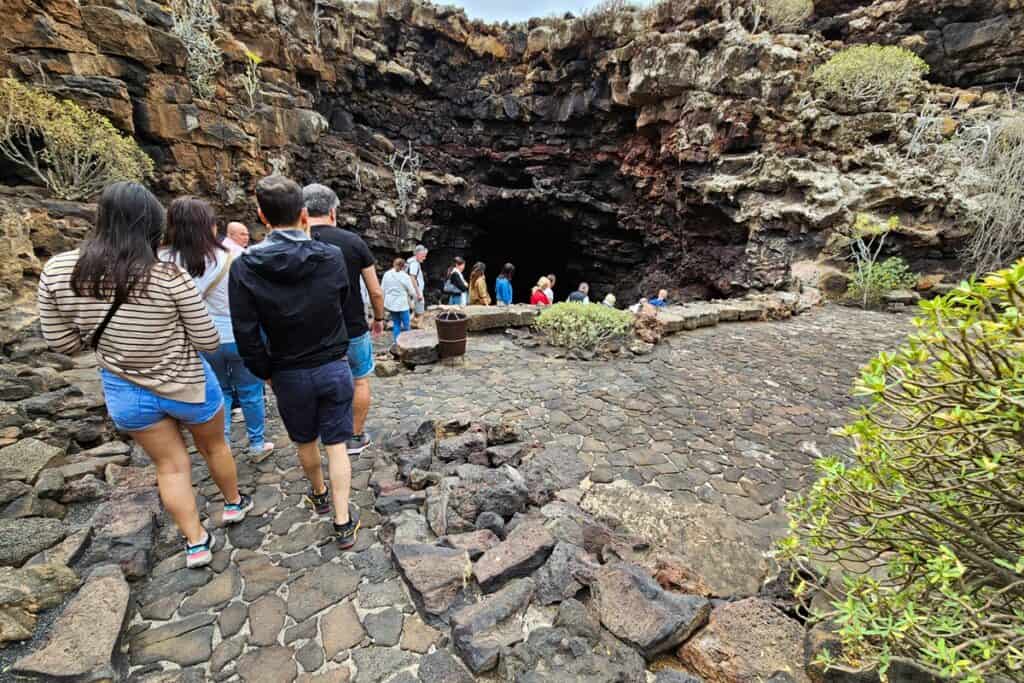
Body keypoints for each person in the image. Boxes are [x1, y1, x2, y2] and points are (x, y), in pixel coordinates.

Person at [37, 182, 252, 569]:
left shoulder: (57, 270)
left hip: (126, 390)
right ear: (153, 225)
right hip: (187, 382)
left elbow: (62, 342)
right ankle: (234, 504)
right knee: (215, 447)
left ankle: (196, 542)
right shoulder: (167, 276)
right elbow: (206, 339)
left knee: (169, 466)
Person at [229, 175, 360, 549]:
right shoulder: (330, 257)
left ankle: (318, 493)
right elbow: (341, 301)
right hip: (333, 364)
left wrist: (265, 370)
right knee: (337, 443)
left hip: (287, 370)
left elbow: (246, 332)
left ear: (261, 216)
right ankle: (343, 520)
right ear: (304, 214)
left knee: (305, 439)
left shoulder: (245, 267)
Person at [161, 197, 273, 459]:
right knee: (250, 391)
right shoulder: (232, 256)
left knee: (218, 391)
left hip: (196, 338)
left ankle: (221, 447)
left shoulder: (162, 259)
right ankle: (256, 444)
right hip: (237, 336)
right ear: (209, 226)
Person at [304, 183, 385, 456]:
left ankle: (318, 437)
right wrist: (379, 318)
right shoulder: (352, 242)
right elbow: (374, 289)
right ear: (333, 212)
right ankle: (354, 436)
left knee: (316, 381)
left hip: (308, 330)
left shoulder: (294, 242)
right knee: (359, 380)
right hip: (351, 326)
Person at [382, 257, 416, 344]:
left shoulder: (387, 274)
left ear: (394, 264)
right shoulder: (405, 276)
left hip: (391, 304)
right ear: (403, 266)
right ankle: (408, 343)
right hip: (402, 304)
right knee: (406, 325)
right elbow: (412, 291)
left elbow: (382, 289)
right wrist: (414, 298)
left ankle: (396, 343)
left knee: (396, 324)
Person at [406, 245, 427, 328]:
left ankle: (413, 324)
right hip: (416, 290)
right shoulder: (414, 264)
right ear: (418, 254)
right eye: (423, 256)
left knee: (413, 309)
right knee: (421, 310)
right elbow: (412, 278)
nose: (424, 258)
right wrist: (418, 293)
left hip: (411, 290)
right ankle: (419, 326)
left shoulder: (410, 262)